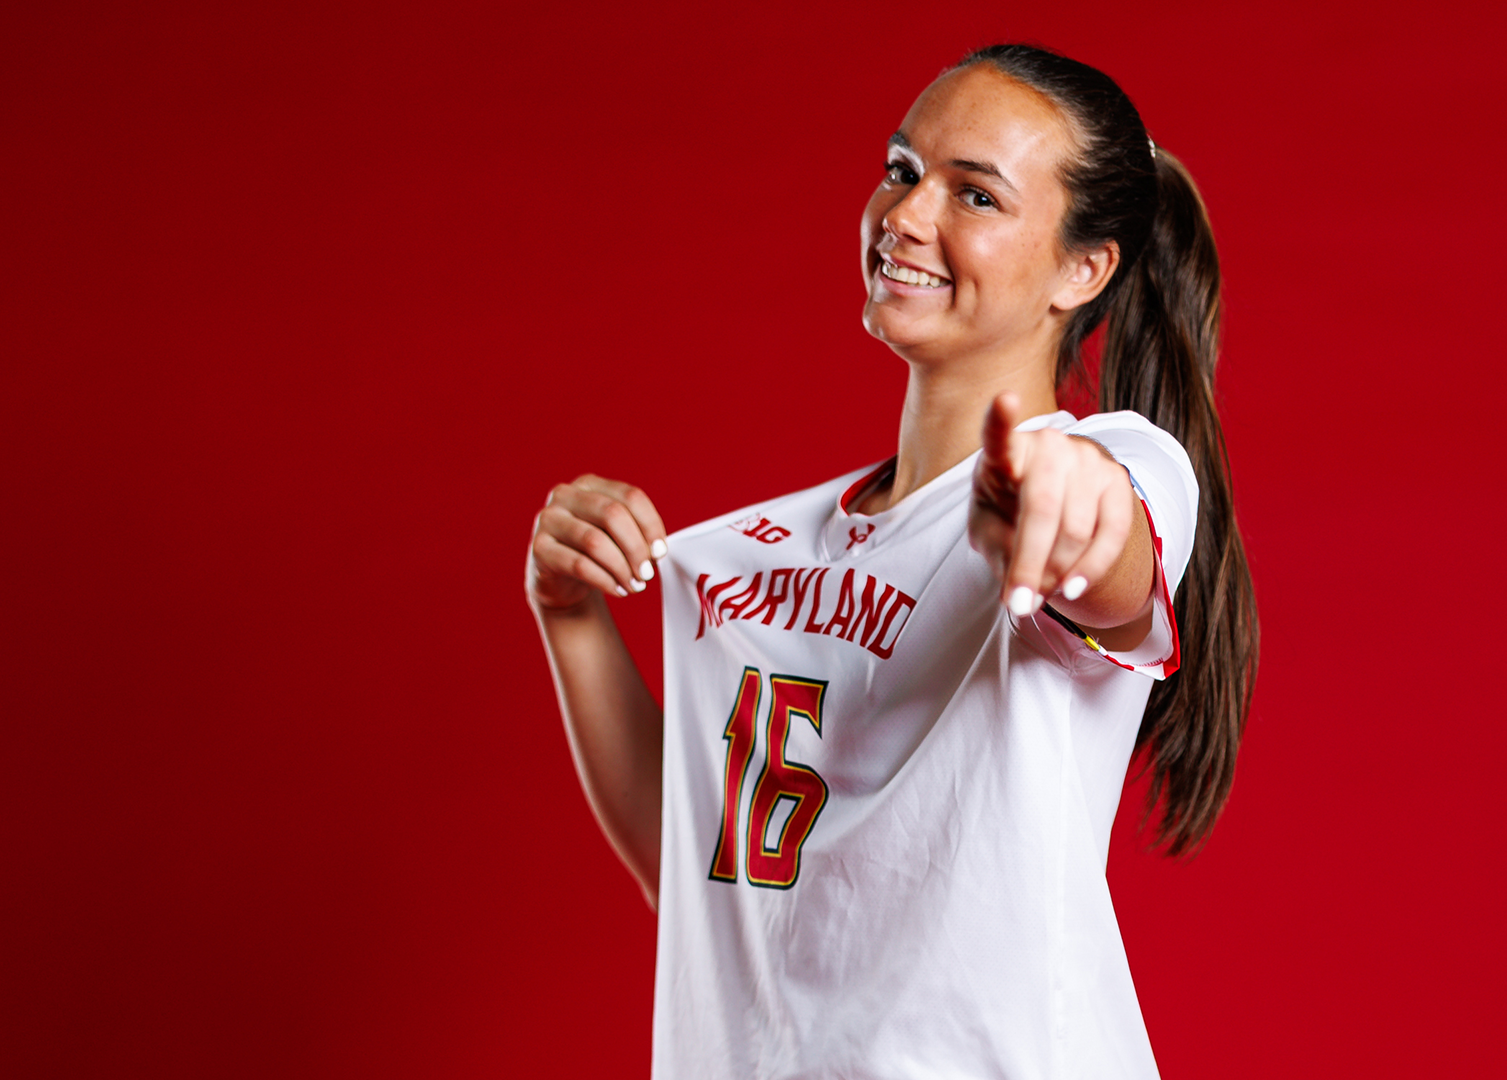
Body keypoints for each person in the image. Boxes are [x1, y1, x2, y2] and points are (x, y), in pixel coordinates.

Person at [525, 44, 1258, 1078]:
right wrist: (570, 614)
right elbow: (698, 877)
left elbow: (1112, 547)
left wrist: (1064, 515)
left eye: (976, 194)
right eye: (903, 169)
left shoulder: (1117, 462)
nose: (906, 216)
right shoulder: (746, 553)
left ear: (1082, 269)